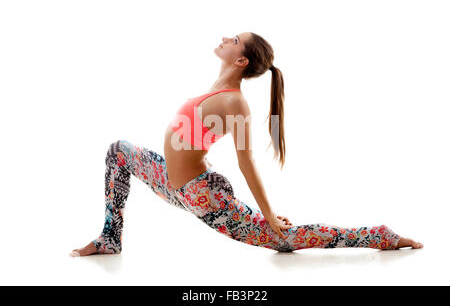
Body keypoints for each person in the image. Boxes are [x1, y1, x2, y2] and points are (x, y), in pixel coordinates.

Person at [71, 32, 423, 256]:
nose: (225, 37)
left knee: (283, 240)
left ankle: (379, 235)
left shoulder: (234, 102)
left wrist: (268, 215)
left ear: (241, 61)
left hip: (202, 195)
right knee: (118, 151)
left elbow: (246, 162)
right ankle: (110, 237)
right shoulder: (214, 89)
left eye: (234, 39)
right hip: (169, 182)